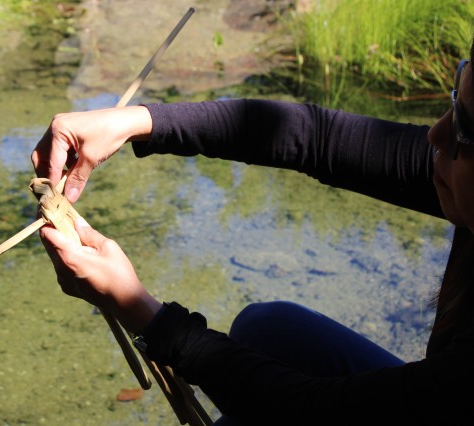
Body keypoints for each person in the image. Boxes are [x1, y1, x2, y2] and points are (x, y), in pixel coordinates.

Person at [30, 42, 474, 422]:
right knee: (268, 328)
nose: (437, 133)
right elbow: (315, 137)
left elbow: (310, 412)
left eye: (467, 129)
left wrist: (140, 310)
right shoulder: (455, 166)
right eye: (455, 99)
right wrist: (140, 122)